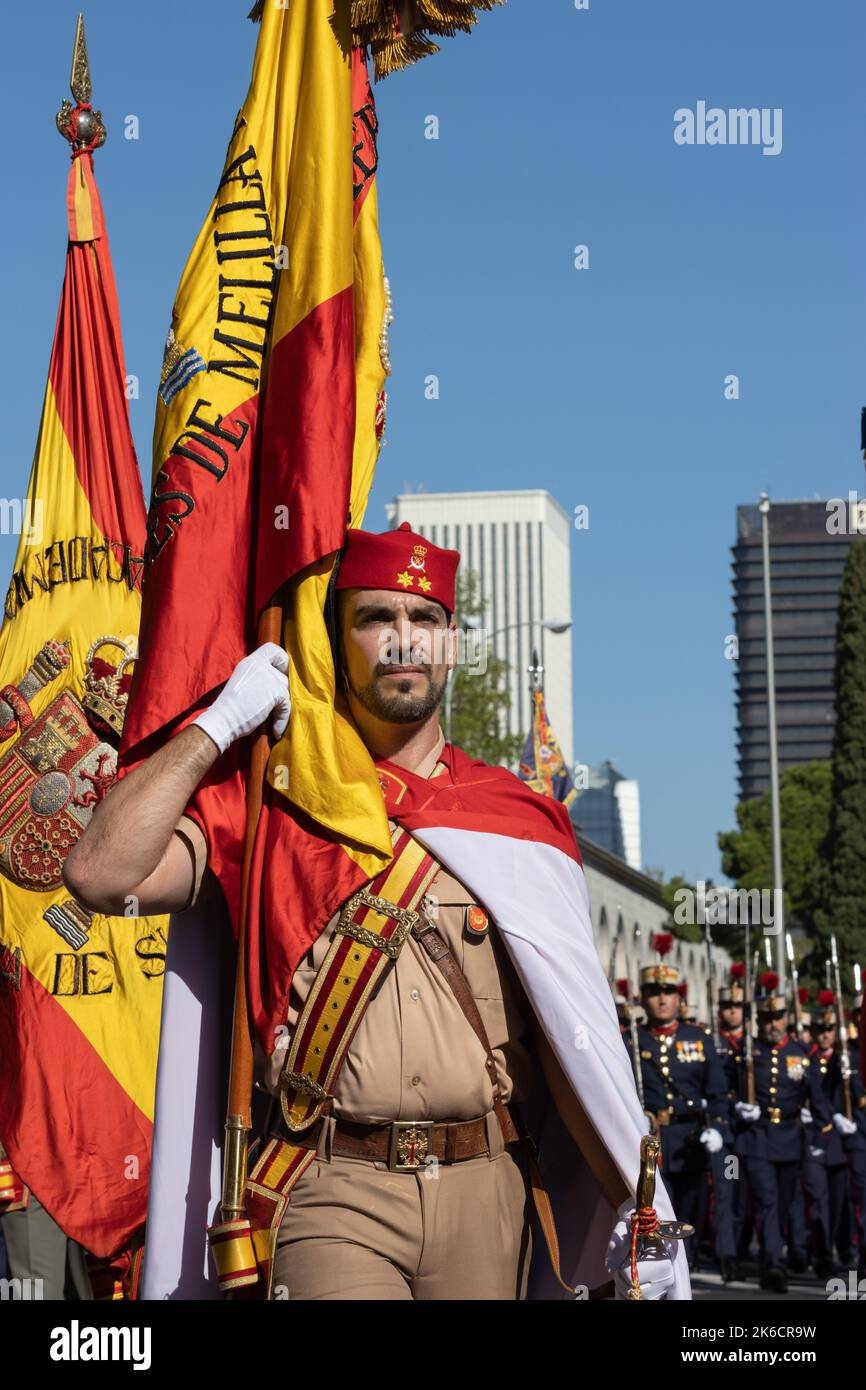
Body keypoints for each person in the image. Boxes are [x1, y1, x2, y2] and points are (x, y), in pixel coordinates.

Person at [64, 523, 688, 1302]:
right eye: (376, 619)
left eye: (425, 620)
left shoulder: (521, 817)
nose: (404, 641)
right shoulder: (274, 801)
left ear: (452, 643)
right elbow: (98, 874)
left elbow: (576, 1043)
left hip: (487, 1184)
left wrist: (632, 1196)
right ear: (338, 640)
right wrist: (216, 727)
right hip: (330, 1187)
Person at [627, 952, 731, 1273]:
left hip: (689, 1136)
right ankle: (664, 1266)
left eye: (668, 992)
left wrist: (717, 1127)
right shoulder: (631, 1040)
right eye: (655, 993)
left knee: (691, 1203)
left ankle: (690, 1258)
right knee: (657, 1206)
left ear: (678, 997)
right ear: (643, 998)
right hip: (652, 1138)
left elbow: (716, 1092)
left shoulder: (698, 1040)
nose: (662, 999)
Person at [733, 974, 833, 1293]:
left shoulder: (801, 1054)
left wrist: (823, 1129)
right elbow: (724, 1090)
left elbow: (816, 1096)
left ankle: (777, 1253)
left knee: (786, 1201)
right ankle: (773, 1264)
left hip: (791, 1137)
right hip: (758, 1136)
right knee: (767, 1200)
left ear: (787, 1019)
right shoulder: (748, 1054)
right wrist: (738, 1106)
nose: (772, 1024)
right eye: (766, 1018)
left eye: (777, 1017)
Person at [804, 993, 864, 1278]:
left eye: (829, 1029)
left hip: (841, 1144)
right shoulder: (806, 1061)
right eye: (820, 1030)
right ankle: (823, 1255)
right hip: (815, 1140)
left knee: (841, 1202)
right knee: (819, 1200)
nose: (825, 1035)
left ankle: (844, 1248)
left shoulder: (849, 1058)